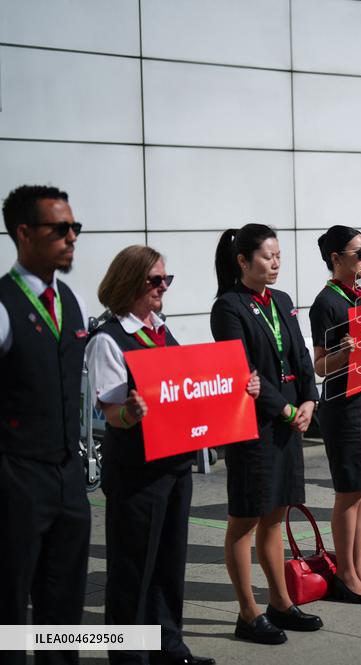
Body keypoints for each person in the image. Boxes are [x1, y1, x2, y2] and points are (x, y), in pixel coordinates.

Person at [87, 246, 259, 665]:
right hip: (137, 472)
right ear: (128, 283)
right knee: (133, 571)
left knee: (168, 564)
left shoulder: (162, 331)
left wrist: (240, 387)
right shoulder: (108, 339)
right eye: (154, 281)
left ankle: (169, 648)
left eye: (166, 279)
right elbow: (112, 414)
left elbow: (191, 387)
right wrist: (130, 412)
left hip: (174, 464)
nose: (163, 287)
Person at [211, 224, 322, 644]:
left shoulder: (283, 301)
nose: (276, 263)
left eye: (278, 256)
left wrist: (309, 400)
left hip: (289, 424)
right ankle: (248, 612)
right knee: (245, 520)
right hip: (252, 427)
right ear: (243, 261)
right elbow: (244, 373)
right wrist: (287, 407)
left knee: (275, 516)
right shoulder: (228, 307)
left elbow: (301, 355)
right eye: (267, 256)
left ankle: (280, 602)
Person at [0, 185, 90, 665]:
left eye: (75, 227)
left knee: (64, 603)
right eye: (60, 228)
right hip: (17, 475)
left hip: (67, 475)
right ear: (24, 234)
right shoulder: (4, 305)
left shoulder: (69, 298)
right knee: (10, 606)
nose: (72, 236)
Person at [310, 226, 361, 600]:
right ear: (335, 258)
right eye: (359, 255)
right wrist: (345, 351)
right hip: (346, 405)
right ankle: (344, 574)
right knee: (349, 492)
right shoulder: (326, 302)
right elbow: (321, 366)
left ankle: (359, 568)